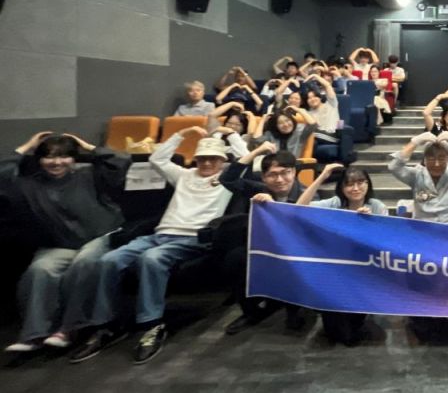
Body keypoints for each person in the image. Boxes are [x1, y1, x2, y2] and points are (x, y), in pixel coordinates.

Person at [69, 126, 247, 364]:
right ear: (195, 159)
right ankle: (105, 324)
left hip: (192, 238)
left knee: (152, 259)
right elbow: (157, 158)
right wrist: (183, 133)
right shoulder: (184, 175)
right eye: (202, 158)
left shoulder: (227, 179)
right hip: (160, 234)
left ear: (222, 161)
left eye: (213, 159)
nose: (207, 163)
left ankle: (150, 324)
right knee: (109, 260)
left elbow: (248, 159)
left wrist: (230, 134)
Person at [0, 133, 130, 352]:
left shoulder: (90, 174)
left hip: (100, 237)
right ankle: (34, 334)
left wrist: (85, 145)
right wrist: (27, 145)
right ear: (39, 159)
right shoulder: (30, 185)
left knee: (84, 263)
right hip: (61, 244)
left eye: (63, 156)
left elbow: (121, 160)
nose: (56, 162)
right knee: (40, 270)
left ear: (73, 159)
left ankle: (68, 329)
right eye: (49, 157)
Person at [217, 142, 306, 335]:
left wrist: (274, 207)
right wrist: (257, 151)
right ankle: (251, 311)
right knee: (235, 259)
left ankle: (294, 309)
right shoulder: (259, 189)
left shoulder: (307, 193)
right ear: (264, 177)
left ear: (294, 172)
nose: (279, 179)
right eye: (272, 175)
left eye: (285, 173)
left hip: (294, 249)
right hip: (262, 247)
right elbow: (227, 179)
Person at [297, 166, 386, 345]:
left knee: (350, 335)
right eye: (349, 184)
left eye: (360, 182)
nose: (355, 188)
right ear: (342, 187)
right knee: (334, 333)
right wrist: (322, 176)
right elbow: (299, 208)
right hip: (335, 269)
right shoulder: (334, 203)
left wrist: (371, 223)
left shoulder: (377, 206)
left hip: (362, 271)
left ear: (368, 184)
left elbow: (383, 241)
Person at [389, 131, 448, 225]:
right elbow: (394, 167)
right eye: (431, 159)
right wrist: (414, 142)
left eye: (441, 159)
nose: (437, 164)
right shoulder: (416, 175)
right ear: (424, 160)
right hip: (424, 227)